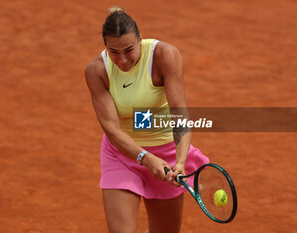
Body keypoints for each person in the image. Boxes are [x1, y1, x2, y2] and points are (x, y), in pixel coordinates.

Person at [85, 6, 209, 233]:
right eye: (114, 52)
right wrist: (145, 157)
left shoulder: (164, 56)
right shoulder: (96, 71)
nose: (122, 60)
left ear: (140, 40)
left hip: (168, 157)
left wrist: (180, 162)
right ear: (105, 48)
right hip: (122, 155)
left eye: (129, 50)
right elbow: (112, 130)